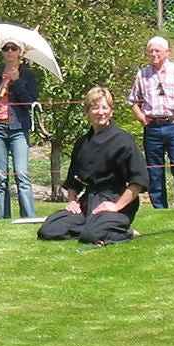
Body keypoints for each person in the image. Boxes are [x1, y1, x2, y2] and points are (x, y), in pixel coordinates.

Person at [38, 86, 148, 245]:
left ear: (111, 111)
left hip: (114, 199)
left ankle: (125, 231)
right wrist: (72, 201)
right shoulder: (82, 143)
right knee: (49, 229)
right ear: (87, 112)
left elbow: (138, 181)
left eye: (105, 107)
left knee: (90, 236)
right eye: (95, 108)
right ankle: (95, 226)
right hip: (88, 201)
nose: (101, 112)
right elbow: (73, 180)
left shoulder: (123, 141)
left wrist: (116, 206)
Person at [127, 36, 174, 209]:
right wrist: (142, 119)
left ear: (167, 52)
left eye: (157, 50)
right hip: (153, 128)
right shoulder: (142, 74)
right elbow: (133, 101)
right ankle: (159, 207)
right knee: (155, 169)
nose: (154, 54)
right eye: (151, 51)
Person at [0, 41, 38, 220]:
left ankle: (29, 217)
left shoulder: (28, 75)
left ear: (20, 52)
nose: (10, 52)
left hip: (19, 129)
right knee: (0, 178)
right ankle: (3, 219)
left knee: (21, 174)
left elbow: (30, 103)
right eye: (6, 48)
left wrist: (17, 81)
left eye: (14, 48)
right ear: (2, 52)